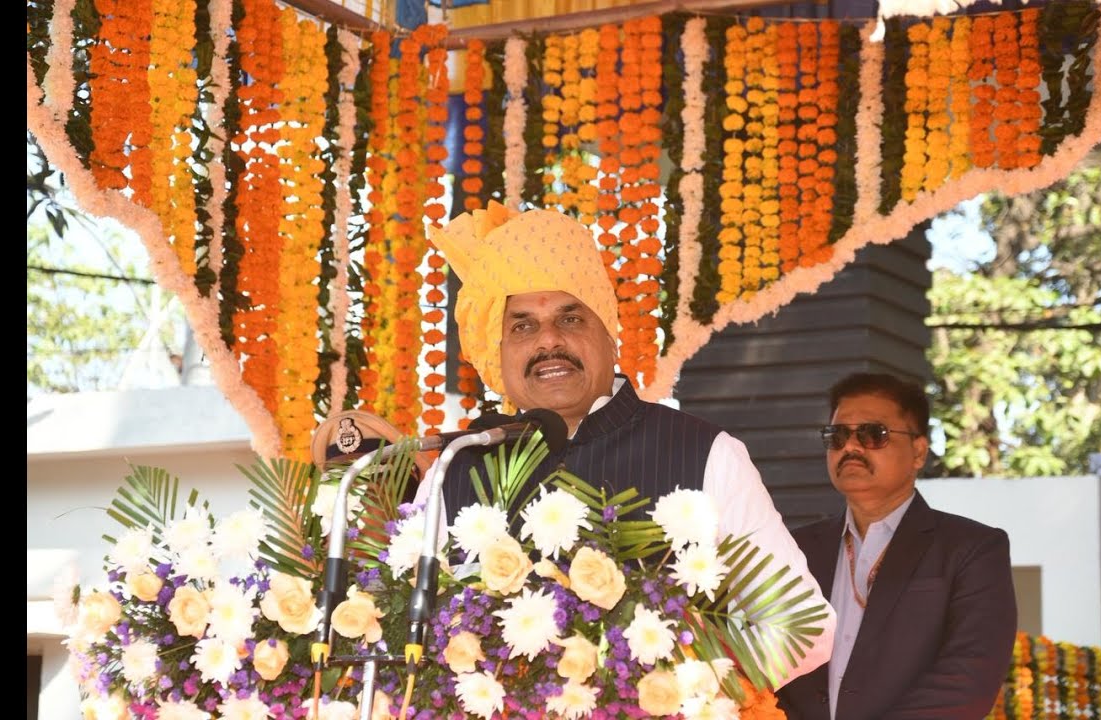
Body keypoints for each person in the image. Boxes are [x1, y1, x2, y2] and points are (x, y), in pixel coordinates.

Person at [418, 200, 835, 685]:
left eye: (571, 319)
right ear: (499, 351)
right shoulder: (459, 465)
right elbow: (391, 625)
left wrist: (675, 690)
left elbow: (802, 626)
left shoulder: (703, 452)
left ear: (608, 334)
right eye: (523, 325)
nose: (548, 341)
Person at [777, 372, 1017, 720]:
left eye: (873, 434)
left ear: (918, 452)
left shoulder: (971, 550)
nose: (851, 447)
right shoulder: (793, 550)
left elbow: (968, 680)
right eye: (837, 435)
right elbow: (763, 664)